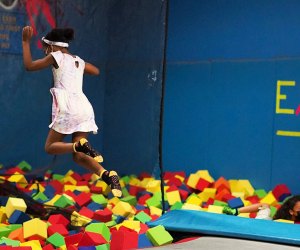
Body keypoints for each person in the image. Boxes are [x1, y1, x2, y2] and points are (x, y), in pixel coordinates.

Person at [22, 26, 122, 197]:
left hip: (67, 106)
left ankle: (79, 145)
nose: (46, 52)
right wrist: (80, 67)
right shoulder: (78, 60)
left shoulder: (55, 56)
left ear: (52, 46)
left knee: (50, 147)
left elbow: (29, 66)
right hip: (84, 107)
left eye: (46, 48)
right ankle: (107, 175)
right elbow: (96, 71)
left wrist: (25, 42)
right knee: (79, 156)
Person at [223, 195, 300, 222]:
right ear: (291, 212)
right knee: (265, 205)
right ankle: (236, 211)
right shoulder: (282, 221)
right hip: (263, 224)